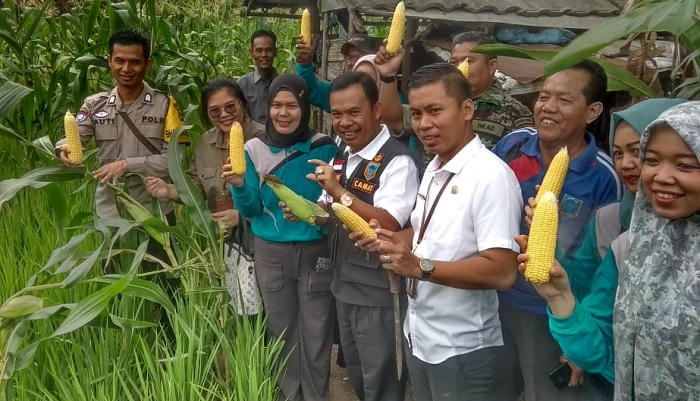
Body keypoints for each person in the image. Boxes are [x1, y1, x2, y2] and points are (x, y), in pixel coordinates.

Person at [356, 63, 523, 401]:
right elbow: (423, 233)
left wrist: (420, 267)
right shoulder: (434, 166)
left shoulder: (490, 177)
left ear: (466, 109)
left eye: (435, 111)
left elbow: (503, 270)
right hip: (421, 336)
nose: (423, 124)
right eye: (416, 113)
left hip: (463, 348)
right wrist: (389, 241)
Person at [517, 101, 700, 401]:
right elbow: (600, 336)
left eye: (684, 164)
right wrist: (557, 287)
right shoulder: (627, 243)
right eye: (651, 159)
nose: (629, 164)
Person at [490, 60, 623, 401]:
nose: (547, 107)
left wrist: (581, 339)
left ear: (592, 110)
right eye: (544, 96)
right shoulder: (513, 145)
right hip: (493, 298)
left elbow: (604, 268)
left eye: (563, 100)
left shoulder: (606, 177)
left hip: (551, 314)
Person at [222, 74, 337, 401]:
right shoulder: (251, 148)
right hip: (271, 253)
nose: (283, 113)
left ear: (304, 106)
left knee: (316, 332)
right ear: (267, 108)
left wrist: (312, 211)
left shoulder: (323, 147)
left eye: (291, 105)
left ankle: (317, 396)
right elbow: (252, 209)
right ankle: (290, 395)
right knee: (282, 331)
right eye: (276, 105)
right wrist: (239, 185)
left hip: (317, 251)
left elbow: (334, 201)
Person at [310, 71, 419, 401]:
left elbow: (388, 222)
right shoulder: (343, 152)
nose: (344, 122)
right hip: (344, 285)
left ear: (376, 110)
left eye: (354, 112)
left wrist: (340, 192)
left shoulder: (398, 160)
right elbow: (331, 209)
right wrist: (306, 210)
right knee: (357, 373)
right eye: (338, 114)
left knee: (382, 380)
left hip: (378, 292)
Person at [143, 77, 265, 313]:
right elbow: (194, 187)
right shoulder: (204, 143)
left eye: (230, 106)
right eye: (214, 111)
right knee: (231, 301)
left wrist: (241, 216)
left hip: (258, 237)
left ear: (243, 104)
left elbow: (275, 193)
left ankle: (262, 347)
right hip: (219, 237)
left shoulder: (264, 139)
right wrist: (167, 190)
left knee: (259, 304)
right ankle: (238, 345)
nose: (224, 114)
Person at [57, 28, 188, 220]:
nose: (126, 69)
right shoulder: (94, 105)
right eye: (119, 61)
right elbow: (76, 137)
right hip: (110, 212)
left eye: (134, 62)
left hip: (154, 211)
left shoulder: (167, 106)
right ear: (109, 61)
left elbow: (175, 161)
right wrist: (63, 148)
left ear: (148, 64)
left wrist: (127, 165)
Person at [376, 32, 533, 150]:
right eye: (454, 62)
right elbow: (393, 119)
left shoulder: (516, 112)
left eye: (468, 61)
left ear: (491, 66)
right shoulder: (435, 101)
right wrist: (388, 75)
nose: (459, 67)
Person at [295, 33, 382, 113]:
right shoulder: (338, 92)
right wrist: (304, 62)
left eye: (361, 56)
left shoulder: (390, 92)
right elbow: (308, 89)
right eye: (349, 58)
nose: (353, 62)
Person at [238, 30, 279, 124]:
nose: (264, 55)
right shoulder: (242, 85)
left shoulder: (284, 84)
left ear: (275, 52)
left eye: (268, 50)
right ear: (251, 53)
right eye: (259, 50)